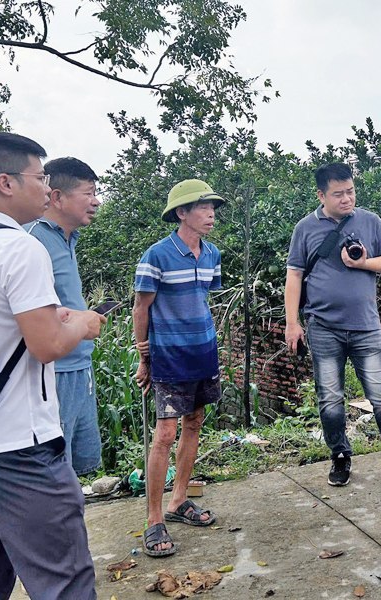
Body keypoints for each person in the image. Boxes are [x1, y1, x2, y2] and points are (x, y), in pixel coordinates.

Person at [0, 132, 105, 599]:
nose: (46, 188)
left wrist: (56, 320)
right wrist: (83, 323)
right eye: (39, 178)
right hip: (19, 447)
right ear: (6, 183)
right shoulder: (18, 247)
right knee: (65, 579)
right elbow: (48, 345)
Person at [284, 163, 381, 488]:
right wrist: (292, 323)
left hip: (365, 326)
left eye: (350, 191)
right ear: (321, 195)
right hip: (323, 327)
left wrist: (363, 262)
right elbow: (294, 275)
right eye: (338, 194)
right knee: (330, 397)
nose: (346, 199)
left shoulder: (370, 221)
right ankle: (340, 455)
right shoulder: (305, 228)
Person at [133, 179, 225, 557]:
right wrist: (144, 357)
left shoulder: (212, 254)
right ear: (181, 213)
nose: (211, 214)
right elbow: (141, 308)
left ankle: (179, 500)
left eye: (213, 207)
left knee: (194, 422)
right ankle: (154, 519)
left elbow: (202, 300)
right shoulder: (156, 255)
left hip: (203, 352)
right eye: (203, 207)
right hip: (168, 356)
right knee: (165, 434)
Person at [26, 157, 103, 476]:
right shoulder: (31, 240)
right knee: (53, 474)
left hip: (80, 368)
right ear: (57, 197)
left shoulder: (67, 238)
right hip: (52, 375)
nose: (96, 201)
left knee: (78, 471)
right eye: (89, 193)